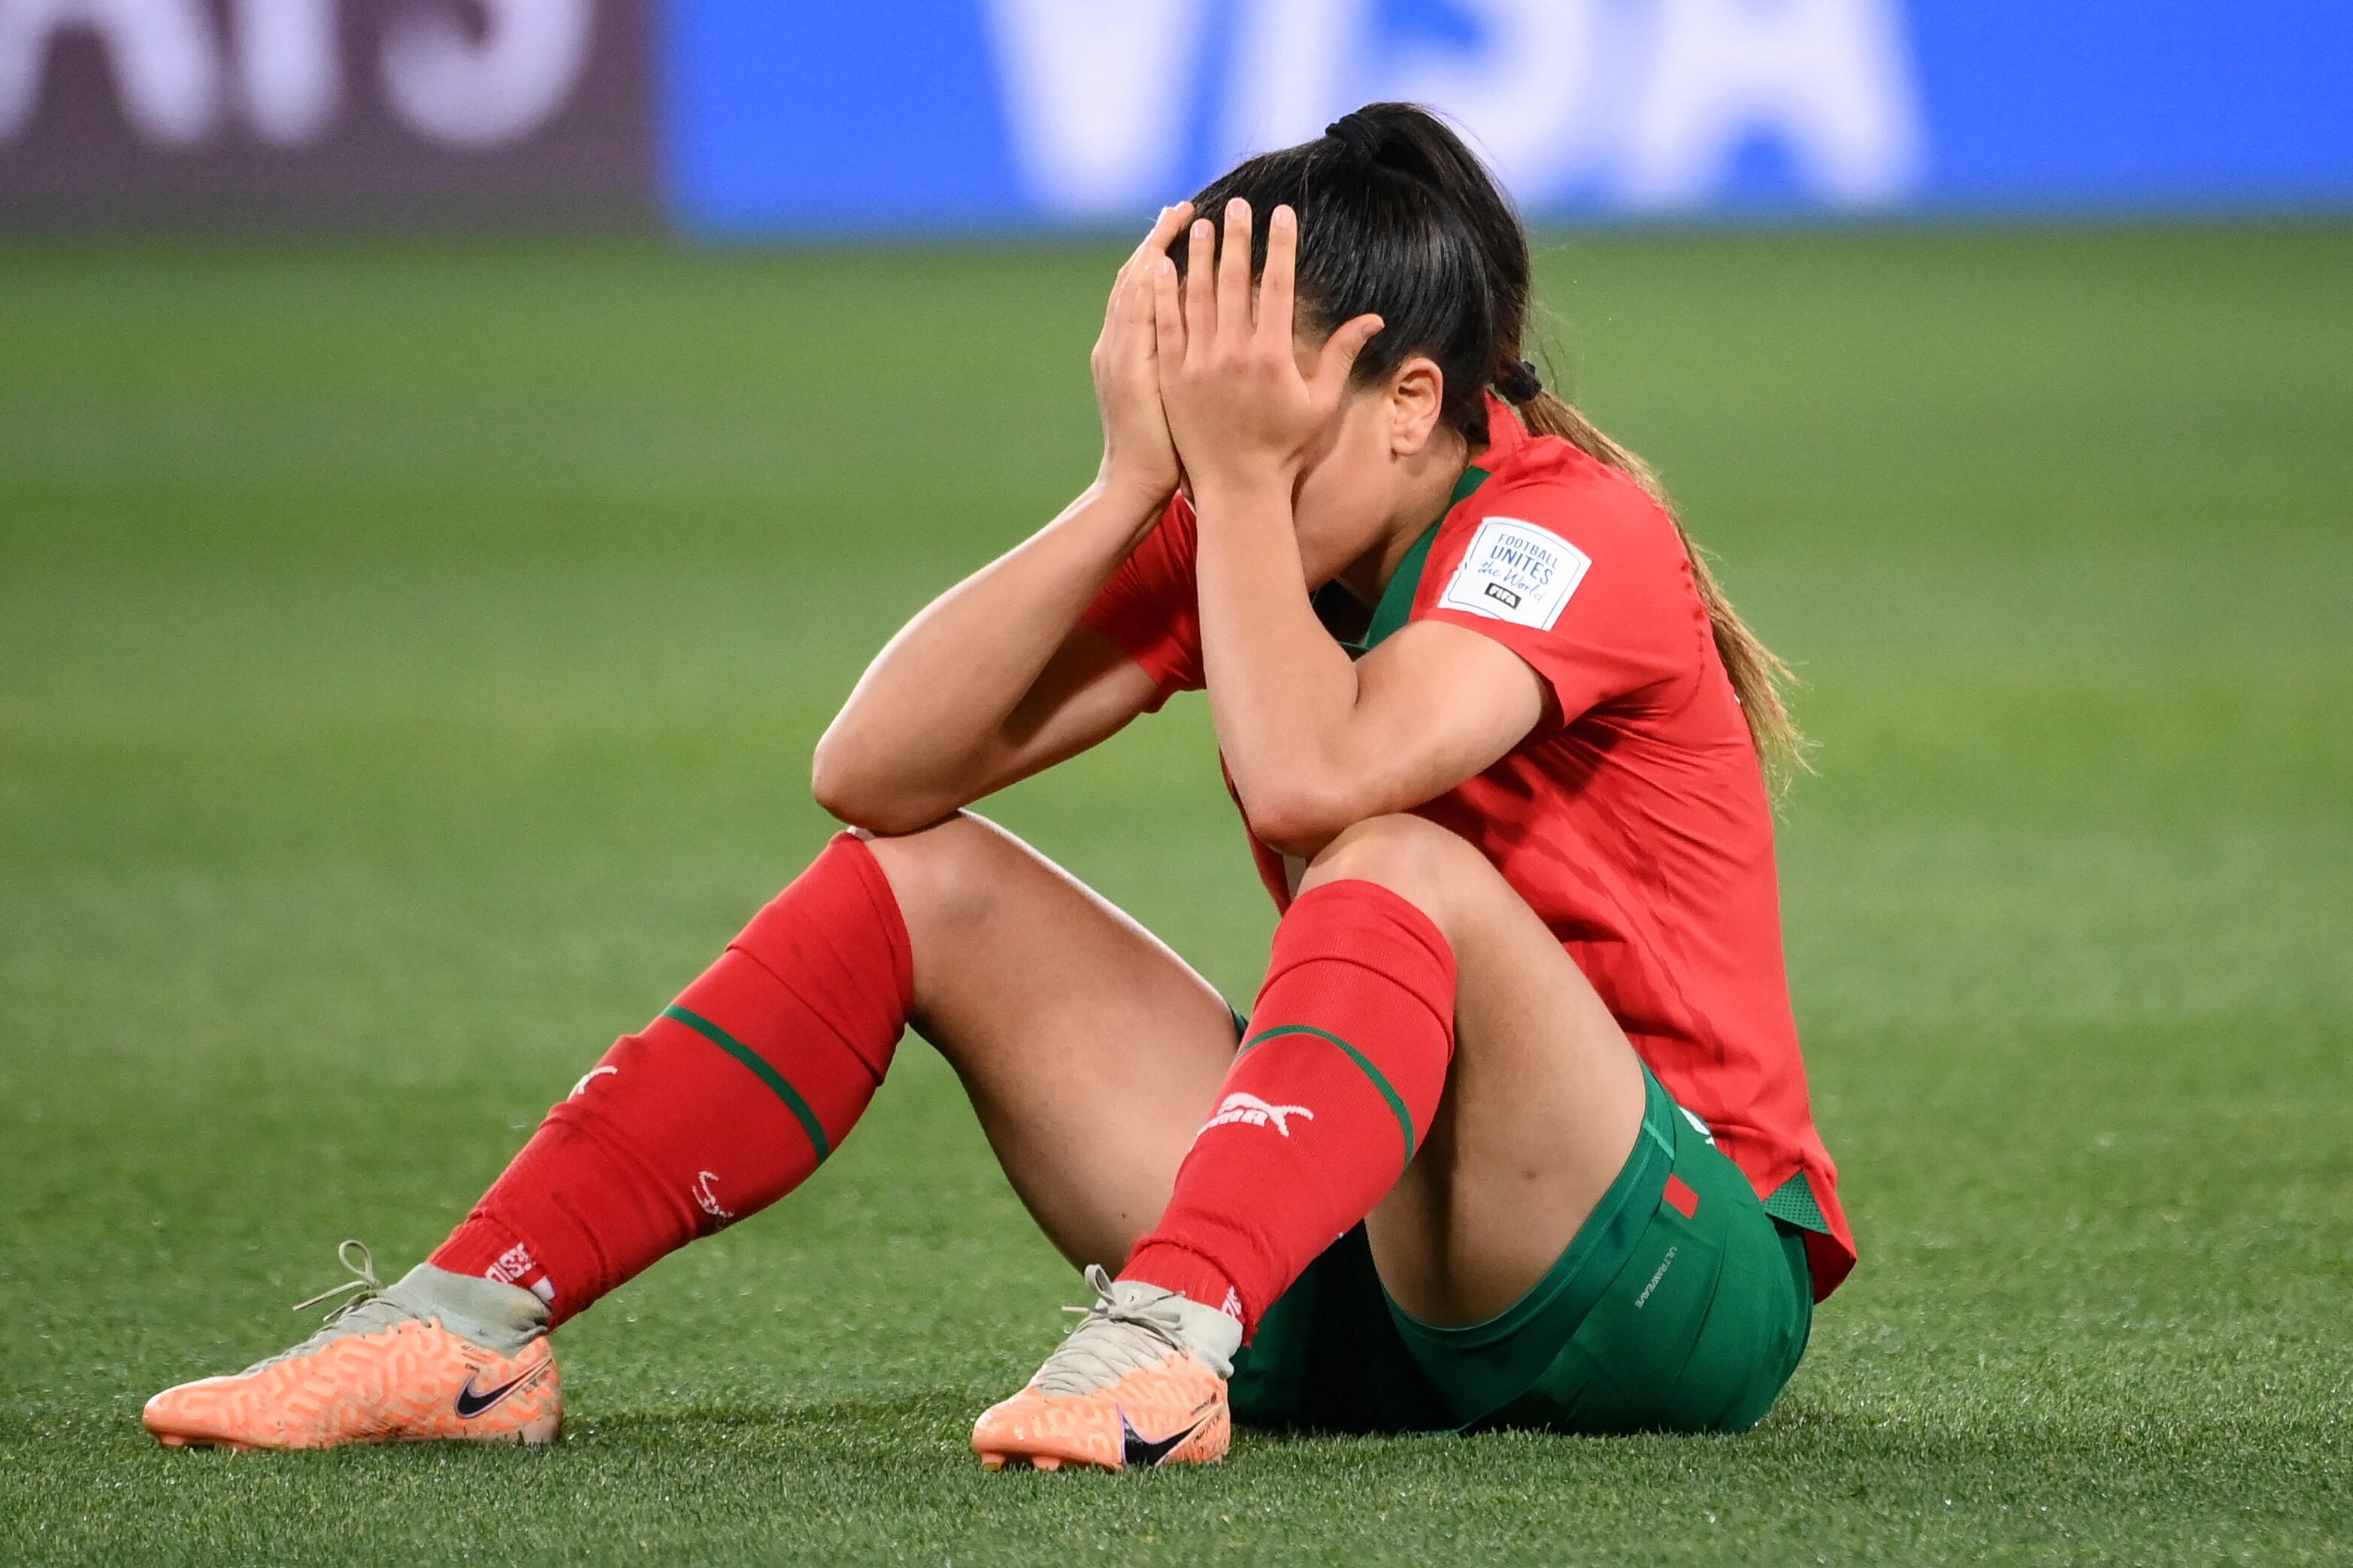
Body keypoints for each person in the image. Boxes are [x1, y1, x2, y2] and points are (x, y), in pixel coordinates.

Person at [143, 103, 1852, 1470]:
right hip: (1360, 1273)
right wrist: (1127, 486)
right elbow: (870, 772)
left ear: (1412, 399)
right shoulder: (1248, 516)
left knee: (1385, 856)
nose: (1219, 461)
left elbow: (1311, 778)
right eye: (1197, 420)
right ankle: (467, 1328)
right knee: (919, 878)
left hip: (1658, 1275)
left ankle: (1163, 1342)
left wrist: (1231, 498)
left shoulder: (1571, 531)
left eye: (1258, 420)